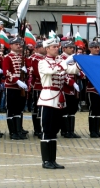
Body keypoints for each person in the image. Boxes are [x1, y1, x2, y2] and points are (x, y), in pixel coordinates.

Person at [37, 37, 81, 169]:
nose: (57, 48)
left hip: (59, 99)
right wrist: (65, 62)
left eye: (57, 46)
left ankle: (53, 160)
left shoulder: (60, 61)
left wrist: (79, 60)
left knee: (54, 130)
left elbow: (73, 71)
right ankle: (46, 161)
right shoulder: (42, 62)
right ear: (47, 49)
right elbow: (51, 71)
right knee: (47, 130)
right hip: (48, 98)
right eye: (54, 47)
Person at [3, 37, 28, 140]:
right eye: (16, 44)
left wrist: (25, 72)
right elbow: (7, 72)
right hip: (12, 86)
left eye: (20, 44)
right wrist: (16, 80)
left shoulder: (22, 58)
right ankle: (12, 132)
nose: (19, 45)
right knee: (11, 109)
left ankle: (18, 131)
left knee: (18, 109)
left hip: (21, 87)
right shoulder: (7, 57)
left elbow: (27, 72)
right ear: (11, 45)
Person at [57, 41, 81, 138]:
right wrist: (72, 83)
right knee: (66, 110)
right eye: (69, 47)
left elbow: (79, 70)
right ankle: (65, 131)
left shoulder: (74, 58)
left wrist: (80, 74)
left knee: (73, 109)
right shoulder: (60, 58)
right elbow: (63, 73)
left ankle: (71, 131)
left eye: (72, 47)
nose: (72, 49)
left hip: (74, 88)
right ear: (64, 49)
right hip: (65, 87)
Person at [86, 41, 100, 138]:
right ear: (90, 48)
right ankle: (92, 131)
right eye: (95, 47)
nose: (97, 49)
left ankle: (97, 130)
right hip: (92, 88)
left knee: (99, 109)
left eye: (98, 47)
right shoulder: (87, 59)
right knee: (93, 109)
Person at [27, 41, 46, 138]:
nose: (45, 48)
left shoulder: (45, 58)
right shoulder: (35, 58)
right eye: (42, 47)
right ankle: (37, 129)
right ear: (37, 48)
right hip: (38, 86)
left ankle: (43, 128)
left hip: (45, 86)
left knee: (43, 108)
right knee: (37, 109)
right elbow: (38, 73)